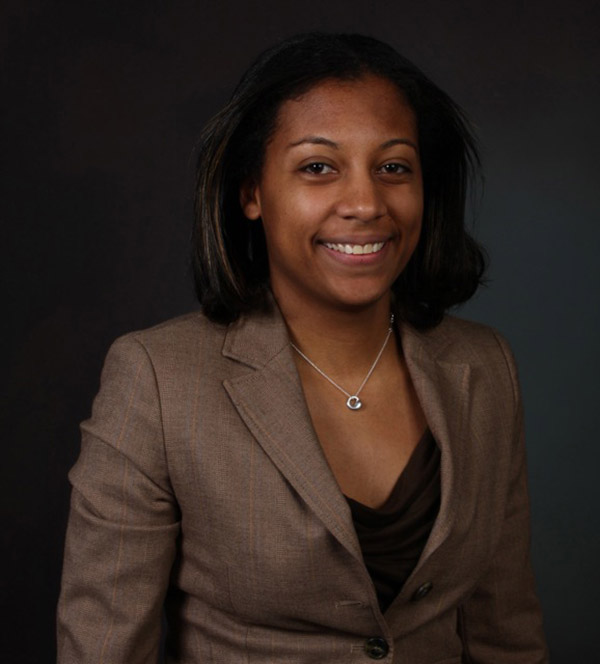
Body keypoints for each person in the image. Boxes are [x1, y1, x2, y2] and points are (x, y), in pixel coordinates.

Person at [57, 33, 548, 663]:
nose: (367, 203)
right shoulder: (157, 379)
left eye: (394, 166)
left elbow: (506, 635)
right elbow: (103, 650)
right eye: (318, 167)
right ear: (252, 193)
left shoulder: (485, 365)